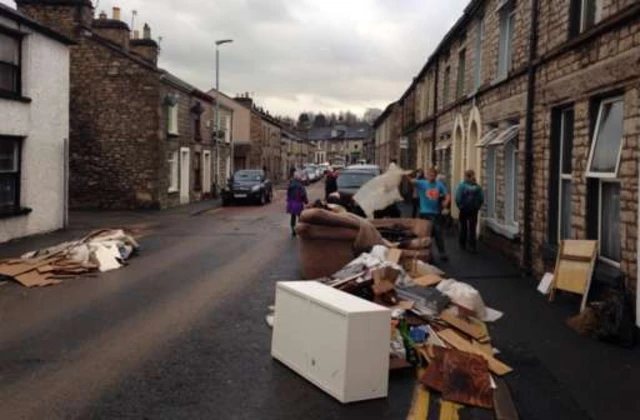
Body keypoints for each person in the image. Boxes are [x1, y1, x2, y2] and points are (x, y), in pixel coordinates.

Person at [409, 167, 451, 261]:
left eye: (433, 175)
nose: (431, 176)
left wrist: (446, 202)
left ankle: (442, 253)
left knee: (438, 233)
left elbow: (447, 195)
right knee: (425, 235)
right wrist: (404, 174)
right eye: (430, 175)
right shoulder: (422, 183)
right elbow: (411, 181)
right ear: (427, 175)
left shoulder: (439, 185)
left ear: (436, 176)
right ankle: (428, 254)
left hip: (435, 213)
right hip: (424, 213)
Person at [456, 169, 484, 252]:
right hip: (473, 209)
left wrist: (460, 206)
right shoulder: (478, 187)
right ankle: (472, 246)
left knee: (463, 227)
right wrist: (478, 207)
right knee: (472, 228)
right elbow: (481, 198)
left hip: (464, 209)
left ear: (466, 177)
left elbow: (458, 198)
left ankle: (462, 244)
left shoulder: (462, 186)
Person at [286, 171, 308, 237]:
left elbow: (288, 193)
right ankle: (299, 230)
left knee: (293, 216)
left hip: (291, 202)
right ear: (299, 178)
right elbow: (303, 194)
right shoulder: (300, 185)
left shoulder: (291, 184)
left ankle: (293, 230)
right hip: (298, 203)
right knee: (300, 217)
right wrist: (306, 201)